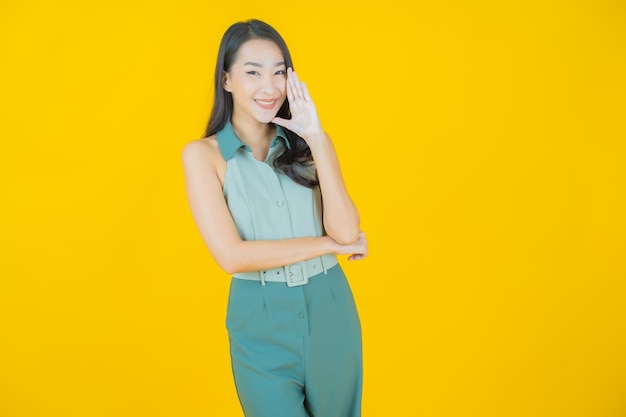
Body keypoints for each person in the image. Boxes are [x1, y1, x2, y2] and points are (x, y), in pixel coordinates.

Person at [181, 18, 367, 417]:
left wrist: (317, 137)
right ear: (227, 79)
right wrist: (329, 245)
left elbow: (348, 229)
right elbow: (232, 257)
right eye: (253, 72)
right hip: (259, 319)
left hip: (330, 308)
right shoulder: (204, 156)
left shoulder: (311, 145)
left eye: (279, 72)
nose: (270, 87)